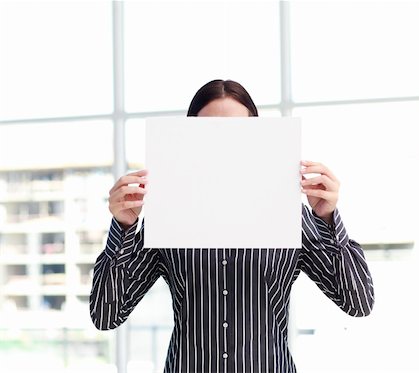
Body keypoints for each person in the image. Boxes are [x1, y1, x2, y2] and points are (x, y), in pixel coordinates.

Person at [89, 79, 375, 373]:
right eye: (209, 133)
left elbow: (358, 302)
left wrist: (327, 219)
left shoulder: (291, 216)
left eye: (238, 133)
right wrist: (123, 227)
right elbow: (106, 314)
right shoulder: (168, 216)